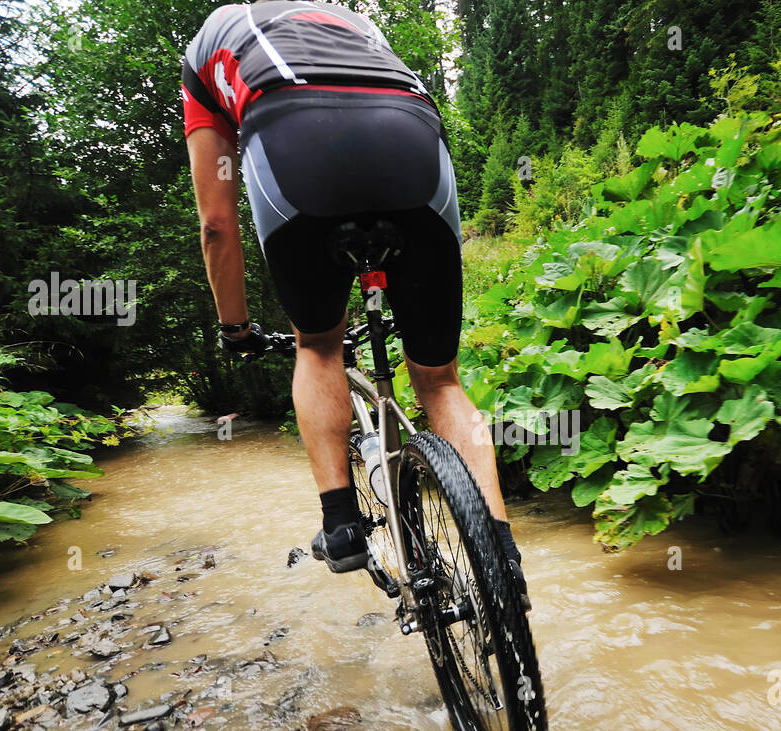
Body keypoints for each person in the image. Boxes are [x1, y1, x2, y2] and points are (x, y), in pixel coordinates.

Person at [181, 0, 528, 601]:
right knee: (441, 382)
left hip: (291, 139)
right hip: (411, 133)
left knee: (318, 346)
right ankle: (503, 558)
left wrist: (234, 328)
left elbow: (216, 224)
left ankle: (341, 526)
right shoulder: (348, 21)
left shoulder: (211, 42)